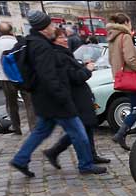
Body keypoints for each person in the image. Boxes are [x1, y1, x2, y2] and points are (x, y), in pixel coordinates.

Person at [10, 11, 105, 177]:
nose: (53, 27)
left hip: (42, 98)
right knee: (78, 131)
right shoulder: (42, 46)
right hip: (55, 99)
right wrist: (63, 97)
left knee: (41, 131)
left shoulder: (32, 42)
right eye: (50, 25)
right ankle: (86, 164)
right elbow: (48, 76)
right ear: (43, 28)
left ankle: (20, 159)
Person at [43, 28, 110, 167]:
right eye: (61, 37)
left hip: (79, 94)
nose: (65, 40)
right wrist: (87, 70)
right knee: (81, 128)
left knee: (87, 126)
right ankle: (56, 152)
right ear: (54, 40)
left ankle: (91, 155)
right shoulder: (59, 55)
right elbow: (74, 77)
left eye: (65, 37)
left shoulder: (64, 53)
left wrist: (83, 67)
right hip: (76, 96)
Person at [108, 12, 136, 150]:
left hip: (122, 76)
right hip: (131, 76)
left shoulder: (113, 38)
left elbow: (111, 59)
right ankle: (121, 133)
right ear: (126, 23)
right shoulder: (125, 37)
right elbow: (130, 58)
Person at [0, 22, 36, 135]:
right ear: (12, 31)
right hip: (22, 76)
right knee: (29, 103)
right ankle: (33, 127)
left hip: (5, 77)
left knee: (11, 104)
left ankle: (16, 127)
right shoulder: (19, 42)